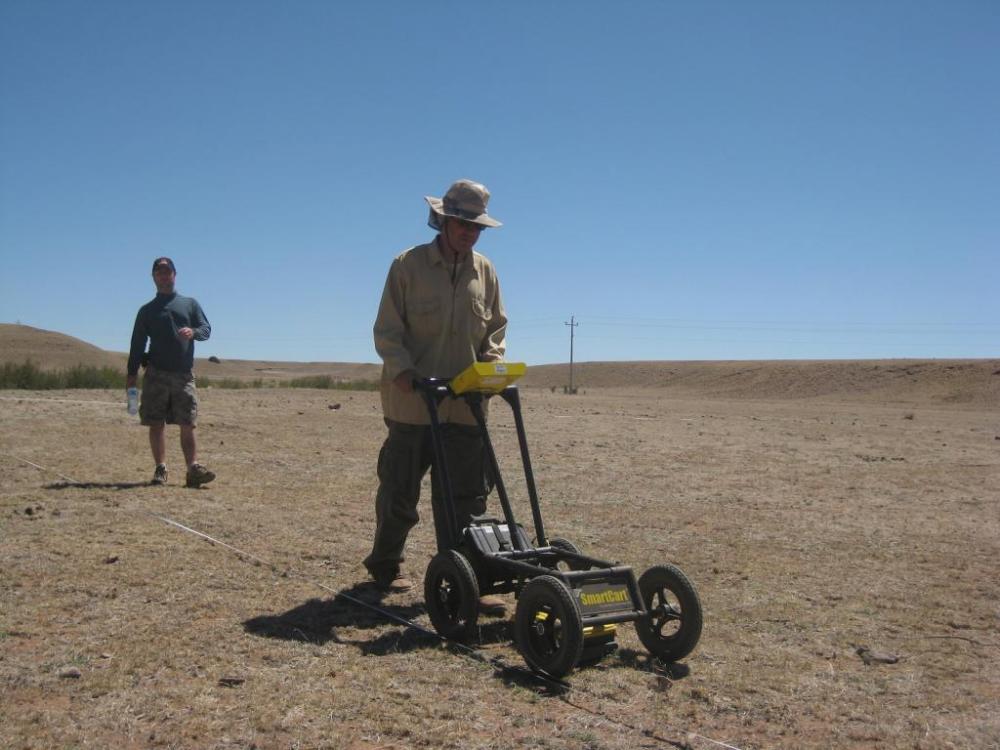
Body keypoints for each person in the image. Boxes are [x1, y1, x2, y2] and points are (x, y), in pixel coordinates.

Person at [364, 179, 508, 615]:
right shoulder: (407, 266)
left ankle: (466, 578)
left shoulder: (485, 271)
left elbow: (496, 329)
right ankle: (386, 565)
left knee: (467, 499)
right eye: (462, 223)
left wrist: (492, 363)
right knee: (400, 491)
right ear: (442, 220)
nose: (469, 232)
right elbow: (387, 329)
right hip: (413, 404)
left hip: (465, 407)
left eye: (476, 226)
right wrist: (403, 371)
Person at [127, 257, 216, 488]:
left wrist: (193, 332)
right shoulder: (147, 311)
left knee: (188, 422)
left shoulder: (190, 304)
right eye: (159, 271)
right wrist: (131, 375)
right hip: (156, 374)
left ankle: (193, 469)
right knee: (156, 423)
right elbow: (137, 344)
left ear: (175, 275)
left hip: (183, 375)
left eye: (167, 271)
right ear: (153, 277)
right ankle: (161, 468)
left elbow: (206, 329)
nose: (163, 275)